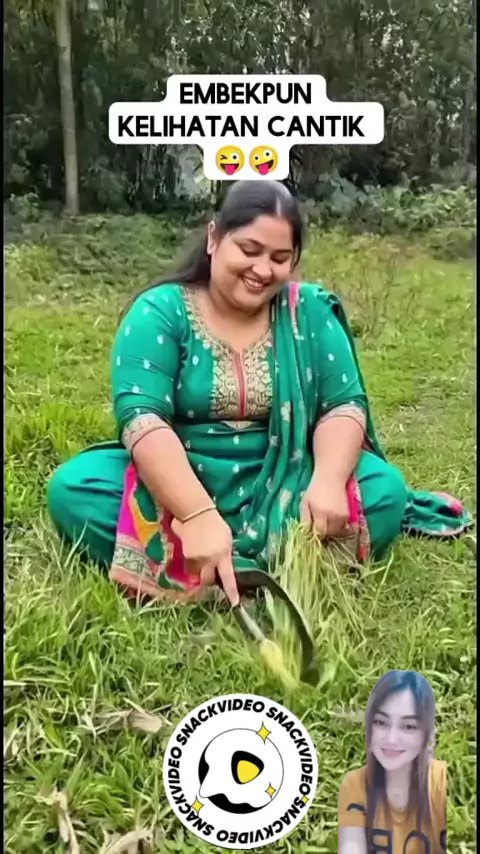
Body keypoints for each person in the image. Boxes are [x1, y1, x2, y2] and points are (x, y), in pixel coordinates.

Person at [46, 181, 471, 606]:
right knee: (75, 488)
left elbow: (343, 406)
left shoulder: (308, 312)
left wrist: (327, 481)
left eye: (279, 258)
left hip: (291, 479)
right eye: (249, 250)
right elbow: (143, 420)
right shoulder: (161, 311)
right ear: (214, 238)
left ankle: (222, 575)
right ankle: (252, 569)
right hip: (180, 477)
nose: (263, 270)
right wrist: (196, 513)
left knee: (385, 490)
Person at [338, 669, 446, 853]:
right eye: (381, 722)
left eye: (409, 726)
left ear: (428, 734)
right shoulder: (355, 786)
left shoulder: (443, 782)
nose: (391, 739)